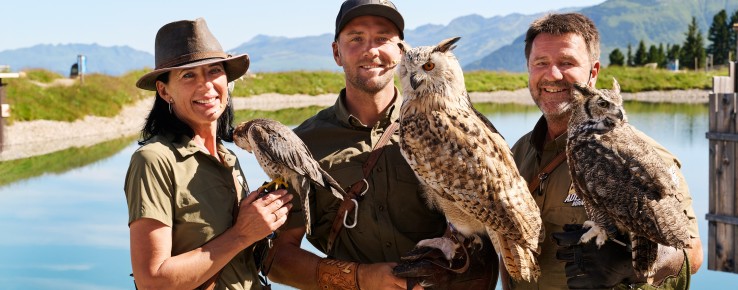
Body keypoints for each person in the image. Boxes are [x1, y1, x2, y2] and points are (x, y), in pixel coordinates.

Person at [266, 1, 498, 289]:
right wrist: (361, 278)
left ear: (401, 51)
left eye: (383, 39)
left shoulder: (455, 130)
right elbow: (276, 259)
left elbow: (495, 228)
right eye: (356, 38)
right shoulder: (300, 145)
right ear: (337, 52)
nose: (371, 50)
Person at [505, 13, 704, 290]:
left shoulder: (639, 153)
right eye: (541, 63)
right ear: (529, 69)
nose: (553, 74)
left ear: (593, 72)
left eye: (567, 63)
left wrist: (628, 265)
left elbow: (690, 253)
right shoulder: (517, 152)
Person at [124, 18, 292, 290]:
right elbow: (151, 281)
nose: (206, 85)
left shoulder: (229, 157)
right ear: (164, 90)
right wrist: (242, 234)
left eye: (214, 71)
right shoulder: (154, 160)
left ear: (228, 81)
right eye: (188, 75)